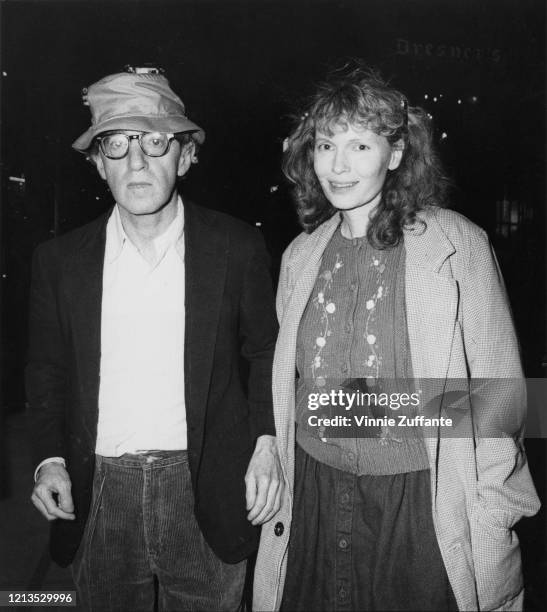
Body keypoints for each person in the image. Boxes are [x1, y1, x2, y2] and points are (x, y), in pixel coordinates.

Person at [253, 65, 540, 611]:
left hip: (421, 504)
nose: (338, 165)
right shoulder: (299, 256)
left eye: (360, 144)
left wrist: (494, 514)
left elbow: (502, 402)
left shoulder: (457, 246)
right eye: (325, 144)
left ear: (397, 153)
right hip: (313, 495)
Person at [27, 66, 282, 611]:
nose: (136, 161)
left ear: (186, 155)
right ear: (98, 164)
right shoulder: (58, 262)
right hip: (99, 490)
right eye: (116, 145)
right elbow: (46, 370)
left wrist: (267, 443)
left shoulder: (236, 247)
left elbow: (266, 352)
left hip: (205, 485)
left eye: (156, 141)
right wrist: (48, 459)